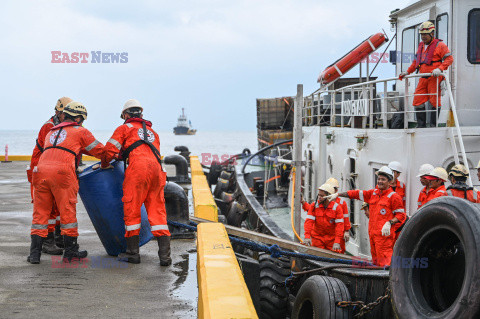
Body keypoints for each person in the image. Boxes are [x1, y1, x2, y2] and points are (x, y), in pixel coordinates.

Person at [28, 102, 105, 264]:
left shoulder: (52, 132)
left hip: (41, 171)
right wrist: (114, 156)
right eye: (82, 120)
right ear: (78, 118)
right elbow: (101, 151)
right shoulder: (80, 131)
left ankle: (34, 254)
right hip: (62, 173)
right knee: (67, 211)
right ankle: (70, 252)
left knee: (40, 213)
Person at [102, 99, 171, 266]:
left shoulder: (124, 128)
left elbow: (109, 151)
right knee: (158, 213)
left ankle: (133, 253)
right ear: (141, 114)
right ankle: (165, 257)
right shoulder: (153, 133)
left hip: (138, 171)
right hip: (157, 171)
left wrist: (104, 165)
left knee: (132, 209)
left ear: (125, 115)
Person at [330, 166, 406, 267]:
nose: (380, 181)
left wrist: (389, 223)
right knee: (375, 263)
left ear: (390, 181)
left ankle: (386, 282)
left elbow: (401, 216)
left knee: (385, 265)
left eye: (383, 179)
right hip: (373, 236)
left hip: (384, 239)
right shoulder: (373, 193)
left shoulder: (394, 197)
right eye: (378, 179)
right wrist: (338, 194)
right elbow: (356, 194)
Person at [27, 97, 72, 255]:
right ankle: (48, 241)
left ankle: (58, 238)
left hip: (49, 167)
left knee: (59, 205)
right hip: (41, 167)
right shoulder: (50, 127)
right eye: (66, 115)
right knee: (48, 206)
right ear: (59, 112)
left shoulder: (61, 126)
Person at [399, 21, 454, 128]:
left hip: (434, 77)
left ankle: (433, 125)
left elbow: (449, 59)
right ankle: (421, 126)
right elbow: (416, 62)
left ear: (432, 34)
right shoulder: (421, 47)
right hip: (423, 78)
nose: (423, 37)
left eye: (425, 34)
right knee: (417, 101)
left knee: (434, 101)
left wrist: (440, 69)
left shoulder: (440, 45)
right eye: (422, 34)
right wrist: (407, 72)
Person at [302, 184, 344, 253]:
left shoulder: (337, 208)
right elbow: (309, 222)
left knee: (333, 258)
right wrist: (307, 236)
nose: (319, 197)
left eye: (322, 196)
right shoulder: (314, 206)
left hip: (331, 240)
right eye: (319, 195)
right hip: (317, 239)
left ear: (329, 197)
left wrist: (337, 241)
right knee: (316, 256)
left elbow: (339, 226)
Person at [325, 177, 350, 253]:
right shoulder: (324, 201)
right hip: (327, 232)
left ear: (336, 190)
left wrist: (346, 231)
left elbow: (345, 217)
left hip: (339, 232)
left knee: (339, 251)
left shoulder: (342, 203)